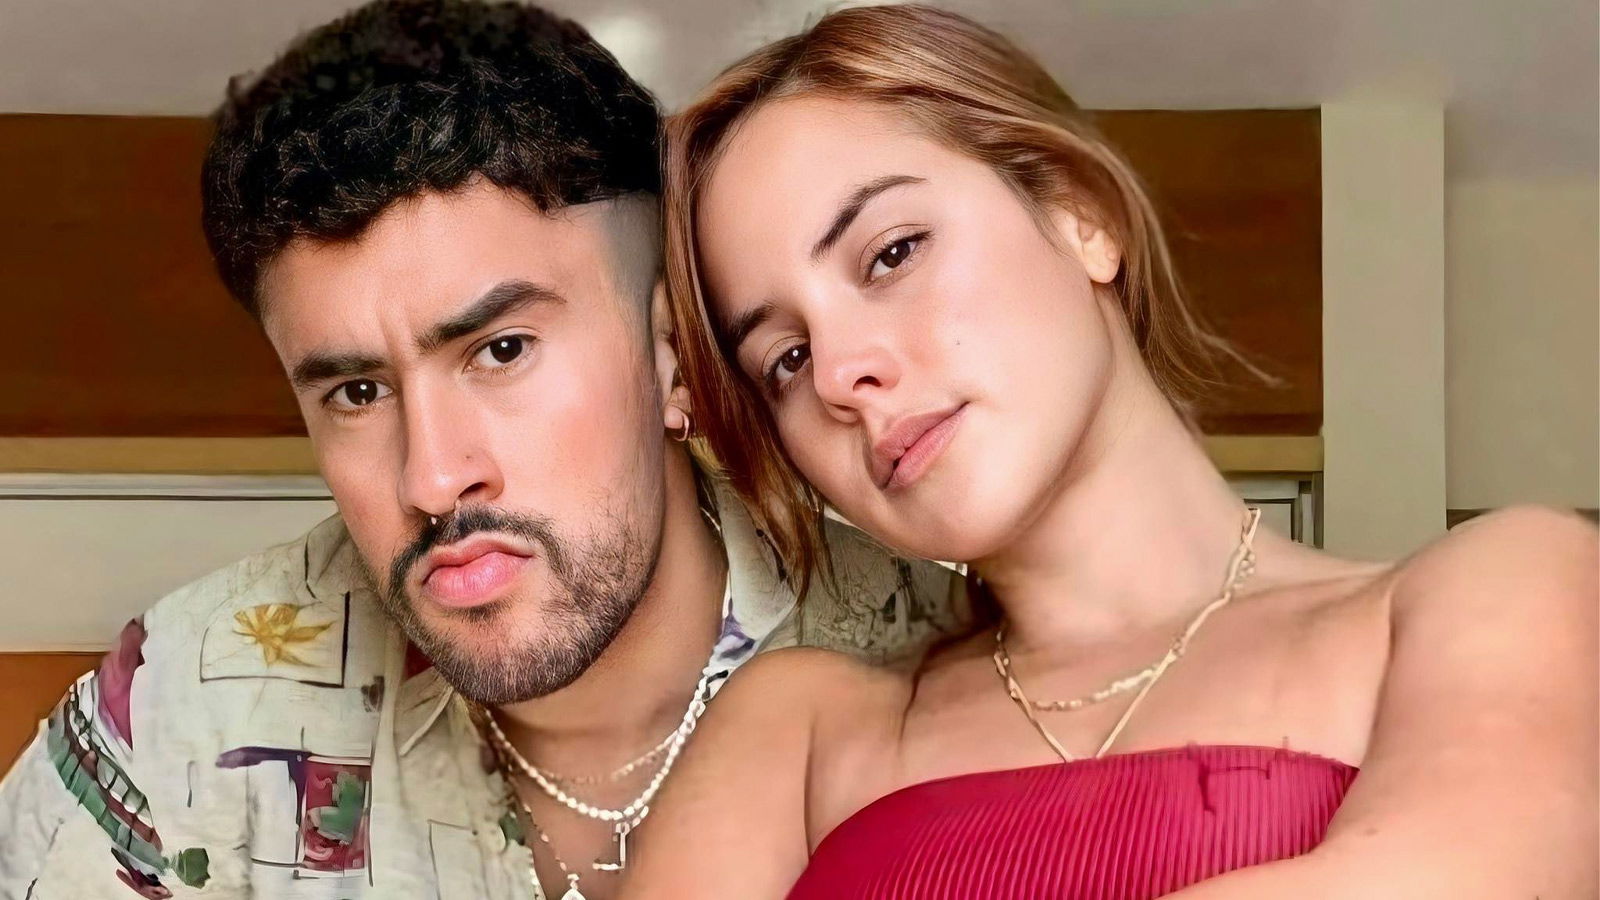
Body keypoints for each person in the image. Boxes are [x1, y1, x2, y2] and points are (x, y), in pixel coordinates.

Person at [626, 5, 1600, 898]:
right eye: (786, 359)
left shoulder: (1500, 590)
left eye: (892, 253)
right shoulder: (794, 735)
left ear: (1079, 213)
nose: (841, 373)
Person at [0, 3, 960, 898]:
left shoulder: (941, 658)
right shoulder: (182, 712)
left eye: (500, 352)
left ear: (674, 352)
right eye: (357, 393)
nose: (433, 478)